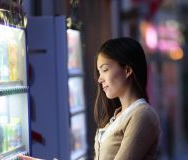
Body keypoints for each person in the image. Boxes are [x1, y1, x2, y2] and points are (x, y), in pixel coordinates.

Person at [18, 37, 161, 160]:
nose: (100, 79)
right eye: (99, 72)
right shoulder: (118, 115)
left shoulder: (142, 115)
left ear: (127, 70)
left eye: (105, 70)